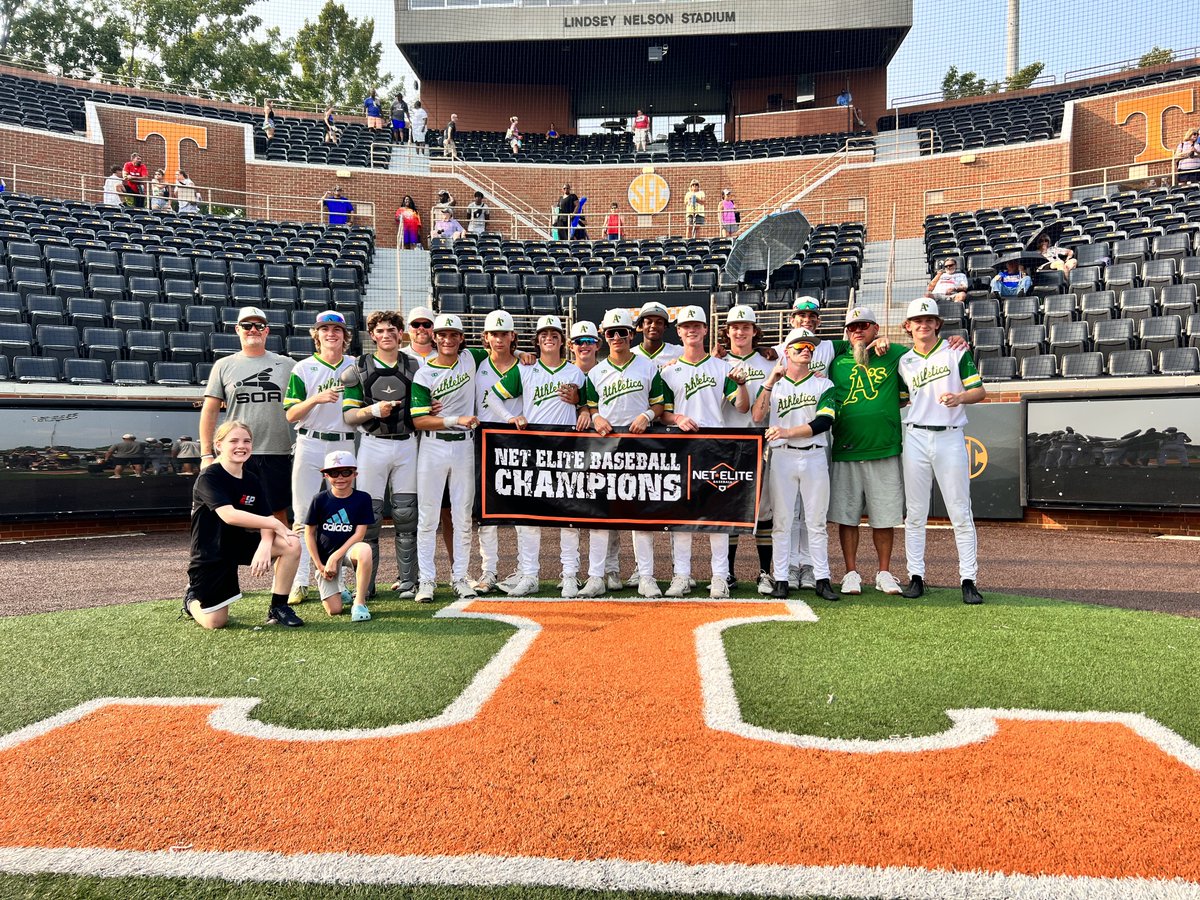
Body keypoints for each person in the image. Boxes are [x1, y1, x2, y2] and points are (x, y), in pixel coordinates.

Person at [895, 297, 986, 605]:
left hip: (949, 436)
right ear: (908, 326)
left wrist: (960, 397)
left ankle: (968, 579)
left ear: (937, 323)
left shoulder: (956, 351)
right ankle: (916, 576)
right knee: (915, 513)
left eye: (929, 319)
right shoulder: (903, 361)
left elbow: (980, 391)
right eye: (917, 321)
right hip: (916, 436)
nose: (923, 324)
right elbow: (902, 398)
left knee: (960, 511)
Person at [658, 306, 750, 598]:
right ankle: (681, 575)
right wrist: (677, 418)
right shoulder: (669, 371)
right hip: (682, 444)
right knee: (682, 512)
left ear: (706, 329)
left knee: (716, 514)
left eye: (697, 325)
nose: (692, 330)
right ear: (679, 331)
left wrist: (743, 385)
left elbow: (742, 407)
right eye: (686, 326)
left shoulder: (722, 368)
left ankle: (719, 576)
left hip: (716, 444)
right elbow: (662, 414)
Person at [495, 314, 589, 597]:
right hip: (533, 449)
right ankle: (529, 574)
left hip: (567, 447)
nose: (549, 338)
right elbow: (492, 397)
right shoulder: (525, 370)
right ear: (537, 340)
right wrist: (511, 418)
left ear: (563, 341)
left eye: (555, 334)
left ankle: (570, 574)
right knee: (529, 516)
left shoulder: (575, 373)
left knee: (569, 515)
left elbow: (588, 406)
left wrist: (582, 407)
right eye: (544, 334)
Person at [577, 308, 666, 599]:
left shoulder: (647, 367)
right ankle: (595, 577)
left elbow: (659, 405)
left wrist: (647, 416)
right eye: (611, 333)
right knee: (602, 515)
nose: (617, 337)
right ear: (604, 337)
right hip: (606, 449)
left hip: (640, 448)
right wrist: (594, 415)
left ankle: (647, 576)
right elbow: (590, 405)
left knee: (639, 516)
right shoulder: (597, 371)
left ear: (632, 334)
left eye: (623, 332)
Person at [184, 420, 302, 630]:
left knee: (291, 543)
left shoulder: (252, 479)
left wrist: (266, 544)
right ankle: (190, 600)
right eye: (234, 441)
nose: (242, 446)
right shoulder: (210, 476)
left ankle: (278, 607)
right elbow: (229, 515)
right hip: (211, 551)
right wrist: (274, 524)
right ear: (219, 445)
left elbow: (265, 514)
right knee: (215, 622)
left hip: (239, 544)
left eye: (246, 441)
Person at [751, 328, 839, 602]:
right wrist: (768, 382)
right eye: (800, 346)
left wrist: (787, 431)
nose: (806, 350)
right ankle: (780, 579)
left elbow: (824, 421)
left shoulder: (823, 384)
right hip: (782, 457)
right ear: (786, 352)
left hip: (813, 455)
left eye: (810, 347)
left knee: (816, 522)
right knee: (782, 522)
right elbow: (757, 416)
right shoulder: (774, 384)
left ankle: (822, 579)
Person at [826, 307, 908, 597]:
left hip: (883, 448)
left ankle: (884, 572)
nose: (857, 331)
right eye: (852, 327)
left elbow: (922, 345)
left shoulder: (893, 354)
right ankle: (850, 573)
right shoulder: (836, 361)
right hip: (846, 449)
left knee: (884, 517)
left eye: (864, 326)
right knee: (847, 517)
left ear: (875, 328)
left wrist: (888, 339)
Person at [341, 310, 421, 599]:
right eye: (380, 331)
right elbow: (349, 416)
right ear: (372, 335)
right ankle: (367, 584)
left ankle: (409, 582)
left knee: (406, 514)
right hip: (373, 443)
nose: (386, 335)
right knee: (370, 518)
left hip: (406, 443)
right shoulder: (358, 369)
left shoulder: (416, 365)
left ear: (401, 334)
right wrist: (375, 409)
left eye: (392, 330)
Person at [410, 313, 488, 602]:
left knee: (462, 517)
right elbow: (419, 421)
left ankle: (460, 577)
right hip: (432, 446)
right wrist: (456, 419)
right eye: (442, 334)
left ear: (460, 338)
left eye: (453, 334)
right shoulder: (423, 373)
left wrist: (521, 353)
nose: (447, 339)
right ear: (434, 337)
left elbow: (500, 348)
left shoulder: (470, 358)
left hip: (463, 446)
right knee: (428, 516)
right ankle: (427, 581)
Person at [284, 310, 359, 605]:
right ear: (316, 336)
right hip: (311, 442)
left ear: (345, 336)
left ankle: (335, 582)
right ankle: (300, 580)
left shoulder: (355, 365)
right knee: (303, 516)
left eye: (336, 330)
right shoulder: (303, 368)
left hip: (343, 443)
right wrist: (315, 398)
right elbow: (291, 414)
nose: (331, 334)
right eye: (325, 329)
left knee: (342, 516)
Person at [199, 306, 295, 521]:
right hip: (236, 451)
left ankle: (281, 556)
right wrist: (206, 454)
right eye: (247, 325)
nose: (253, 329)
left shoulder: (288, 365)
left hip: (276, 452)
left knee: (277, 512)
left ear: (267, 331)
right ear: (237, 329)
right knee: (235, 513)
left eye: (259, 325)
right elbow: (210, 411)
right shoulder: (224, 365)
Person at [719, 305, 774, 592]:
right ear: (726, 332)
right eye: (734, 327)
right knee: (729, 509)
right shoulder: (717, 362)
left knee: (763, 510)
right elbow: (738, 407)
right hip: (727, 441)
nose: (739, 331)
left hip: (760, 439)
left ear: (755, 331)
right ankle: (727, 572)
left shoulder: (769, 362)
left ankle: (765, 572)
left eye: (745, 326)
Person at [470, 310, 523, 593]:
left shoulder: (526, 365)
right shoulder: (477, 360)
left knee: (521, 508)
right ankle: (488, 571)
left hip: (519, 441)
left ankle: (524, 570)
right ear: (486, 338)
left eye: (504, 333)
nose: (499, 339)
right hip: (484, 438)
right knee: (486, 510)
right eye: (494, 334)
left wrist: (526, 355)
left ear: (513, 336)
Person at [304, 450, 374, 621]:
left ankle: (359, 602)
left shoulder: (363, 498)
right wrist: (319, 565)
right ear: (325, 476)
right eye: (334, 473)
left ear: (355, 474)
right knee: (334, 610)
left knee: (365, 550)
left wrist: (335, 557)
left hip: (349, 551)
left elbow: (360, 534)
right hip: (324, 557)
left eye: (346, 472)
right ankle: (340, 591)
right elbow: (309, 533)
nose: (340, 477)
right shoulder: (319, 499)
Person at [633, 301, 683, 365]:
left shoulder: (679, 353)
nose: (653, 326)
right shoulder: (631, 355)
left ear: (665, 327)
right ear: (641, 326)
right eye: (649, 322)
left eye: (659, 322)